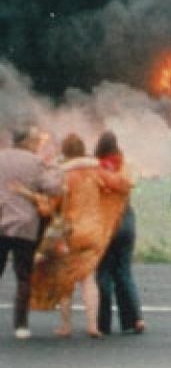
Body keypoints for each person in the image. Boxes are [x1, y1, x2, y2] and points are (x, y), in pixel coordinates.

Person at [27, 133, 130, 338]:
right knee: (88, 279)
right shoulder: (97, 171)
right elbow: (123, 184)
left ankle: (66, 326)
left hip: (70, 232)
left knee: (67, 278)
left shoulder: (62, 175)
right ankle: (93, 325)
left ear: (64, 152)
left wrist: (34, 200)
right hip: (94, 232)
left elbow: (49, 208)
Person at [0, 127, 62, 339]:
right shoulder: (34, 162)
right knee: (23, 275)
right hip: (25, 225)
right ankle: (21, 325)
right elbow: (53, 187)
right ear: (26, 141)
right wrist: (53, 165)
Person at [92, 131, 145, 335]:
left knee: (103, 273)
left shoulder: (95, 169)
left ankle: (103, 323)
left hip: (105, 225)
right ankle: (135, 319)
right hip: (126, 222)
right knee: (124, 272)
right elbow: (129, 183)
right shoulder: (125, 166)